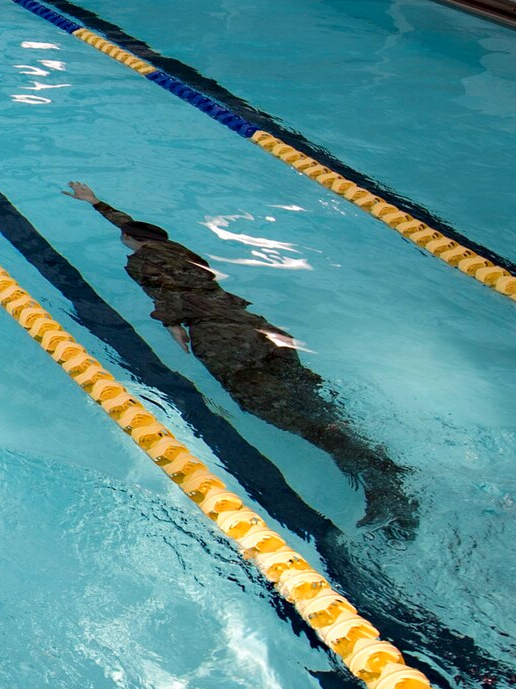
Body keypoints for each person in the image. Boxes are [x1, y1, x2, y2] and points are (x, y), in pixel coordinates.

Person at [64, 183, 414, 531]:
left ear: (134, 243)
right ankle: (378, 460)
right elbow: (133, 227)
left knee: (290, 416)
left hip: (222, 340)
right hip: (258, 328)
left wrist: (173, 325)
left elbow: (164, 288)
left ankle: (382, 483)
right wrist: (96, 203)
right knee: (310, 397)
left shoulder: (140, 260)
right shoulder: (176, 248)